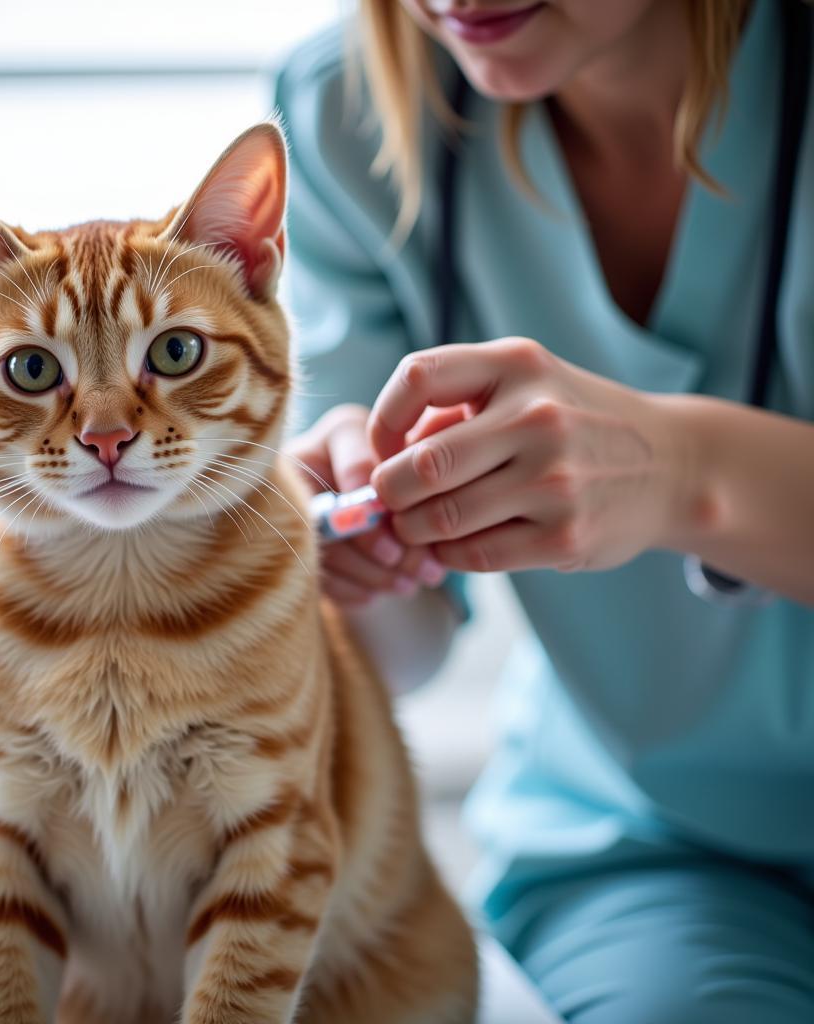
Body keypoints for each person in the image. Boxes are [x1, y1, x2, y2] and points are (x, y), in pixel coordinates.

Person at [274, 1, 814, 1021]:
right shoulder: (347, 111)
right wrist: (350, 562)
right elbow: (405, 654)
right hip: (647, 843)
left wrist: (684, 469)